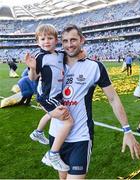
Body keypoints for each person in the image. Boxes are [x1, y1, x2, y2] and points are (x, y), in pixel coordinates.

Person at [42, 25, 140, 179]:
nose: (69, 45)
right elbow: (40, 91)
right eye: (66, 41)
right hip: (56, 134)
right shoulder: (53, 62)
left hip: (81, 137)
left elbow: (113, 98)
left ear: (82, 40)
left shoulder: (95, 67)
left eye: (74, 40)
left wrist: (127, 130)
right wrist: (49, 110)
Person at [25, 24, 74, 172]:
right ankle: (52, 154)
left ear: (56, 40)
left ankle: (38, 133)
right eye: (43, 38)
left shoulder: (59, 54)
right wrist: (33, 68)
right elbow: (33, 78)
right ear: (37, 41)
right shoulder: (40, 57)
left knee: (50, 115)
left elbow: (71, 57)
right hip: (47, 96)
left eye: (50, 38)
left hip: (56, 95)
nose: (46, 41)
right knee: (68, 121)